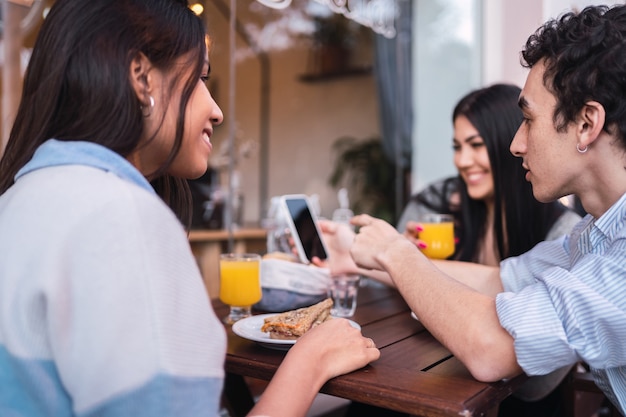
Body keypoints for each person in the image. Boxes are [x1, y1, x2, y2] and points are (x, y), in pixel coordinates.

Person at [0, 1, 380, 417]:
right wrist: (311, 362)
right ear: (141, 77)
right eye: (201, 78)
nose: (216, 110)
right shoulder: (121, 218)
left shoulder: (18, 200)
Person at [347, 4, 626, 415]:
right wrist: (367, 258)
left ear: (587, 123)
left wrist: (396, 252)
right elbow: (498, 279)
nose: (516, 144)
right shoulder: (594, 236)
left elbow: (491, 348)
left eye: (529, 120)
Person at [317, 84, 581, 417]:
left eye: (475, 145)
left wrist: (403, 257)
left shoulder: (566, 233)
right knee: (376, 402)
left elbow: (538, 383)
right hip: (435, 372)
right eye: (457, 147)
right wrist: (364, 260)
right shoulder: (439, 204)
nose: (462, 160)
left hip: (515, 399)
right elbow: (497, 279)